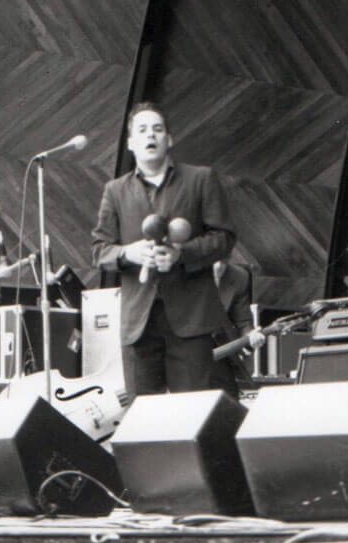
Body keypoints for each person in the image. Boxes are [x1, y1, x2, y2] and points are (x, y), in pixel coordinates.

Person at [92, 102, 235, 396]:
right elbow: (99, 250)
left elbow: (224, 238)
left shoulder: (201, 179)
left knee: (191, 416)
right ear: (131, 143)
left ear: (170, 139)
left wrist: (181, 255)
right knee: (143, 422)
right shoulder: (115, 191)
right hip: (139, 325)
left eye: (157, 129)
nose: (150, 136)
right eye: (142, 130)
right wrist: (127, 253)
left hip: (191, 320)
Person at [210, 259, 266, 397]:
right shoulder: (183, 269)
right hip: (184, 353)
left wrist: (251, 336)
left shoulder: (239, 276)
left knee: (229, 406)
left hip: (221, 355)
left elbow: (244, 322)